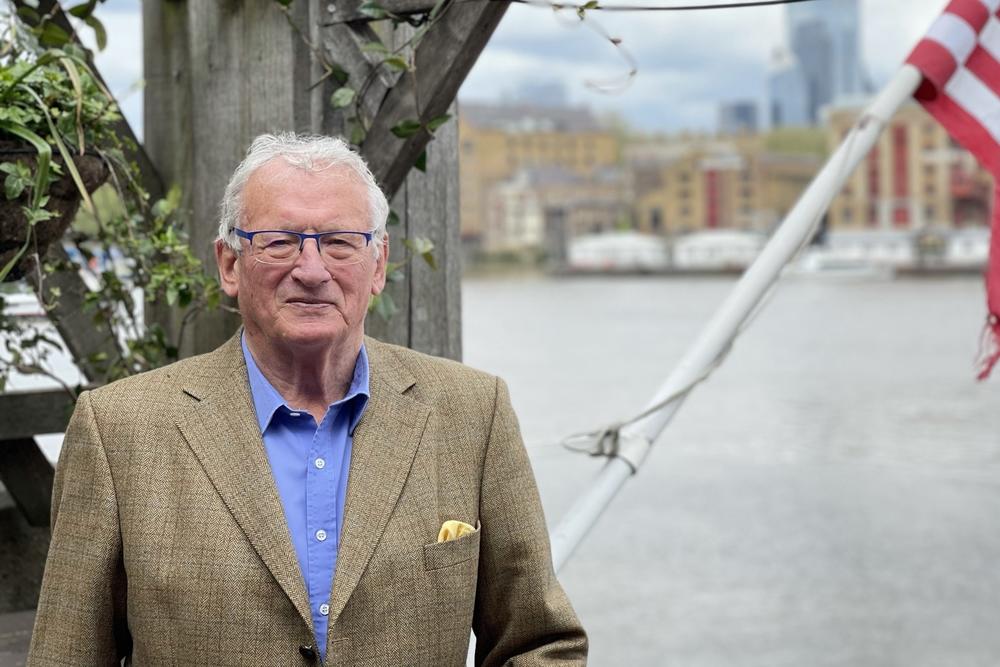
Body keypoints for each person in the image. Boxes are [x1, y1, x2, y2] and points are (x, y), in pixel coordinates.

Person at [28, 133, 587, 665]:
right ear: (229, 263)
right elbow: (66, 656)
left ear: (378, 264)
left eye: (340, 242)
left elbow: (539, 645)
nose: (312, 270)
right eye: (280, 242)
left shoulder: (472, 412)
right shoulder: (119, 429)